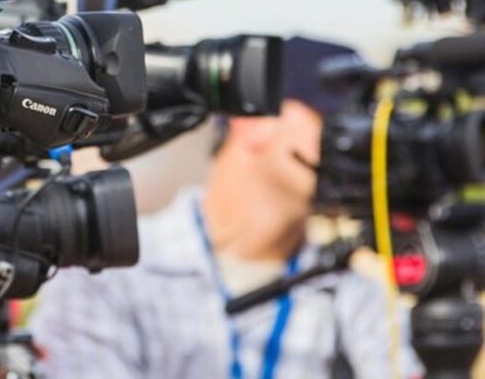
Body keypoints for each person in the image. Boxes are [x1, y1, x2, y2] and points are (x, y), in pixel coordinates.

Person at [30, 37, 424, 379]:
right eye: (334, 120)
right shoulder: (108, 272)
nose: (359, 144)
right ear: (252, 120)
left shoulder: (356, 297)